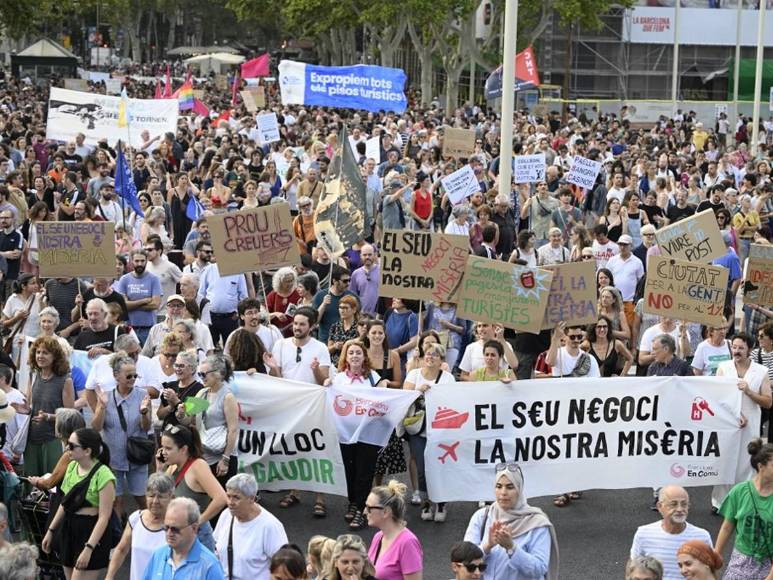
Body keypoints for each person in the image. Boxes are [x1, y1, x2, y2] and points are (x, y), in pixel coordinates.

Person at [42, 428, 116, 579]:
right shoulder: (71, 467)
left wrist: (89, 548)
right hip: (69, 529)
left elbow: (104, 517)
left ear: (87, 451)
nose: (67, 448)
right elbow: (65, 503)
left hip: (90, 532)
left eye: (72, 445)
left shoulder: (104, 475)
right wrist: (51, 531)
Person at [463, 463, 558, 579]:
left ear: (519, 489)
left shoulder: (536, 522)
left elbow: (539, 569)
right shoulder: (482, 517)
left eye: (510, 487)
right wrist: (487, 546)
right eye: (498, 486)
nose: (503, 492)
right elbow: (465, 560)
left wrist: (512, 548)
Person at [330, 340, 385, 530]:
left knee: (364, 471)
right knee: (348, 469)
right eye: (351, 352)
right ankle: (353, 501)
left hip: (368, 434)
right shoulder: (338, 379)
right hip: (345, 434)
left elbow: (383, 402)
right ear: (346, 357)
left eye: (358, 353)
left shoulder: (373, 378)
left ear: (364, 357)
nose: (354, 356)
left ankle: (362, 509)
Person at [91, 351, 152, 516]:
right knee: (115, 500)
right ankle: (118, 535)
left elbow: (146, 428)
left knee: (141, 498)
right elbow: (96, 427)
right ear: (116, 376)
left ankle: (151, 527)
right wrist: (102, 407)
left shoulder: (142, 395)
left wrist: (145, 412)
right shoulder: (106, 397)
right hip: (113, 456)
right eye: (128, 376)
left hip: (136, 455)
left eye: (135, 375)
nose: (132, 379)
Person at [404, 342, 455, 522]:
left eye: (435, 354)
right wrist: (419, 391)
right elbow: (404, 397)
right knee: (422, 467)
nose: (430, 357)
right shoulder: (414, 374)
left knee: (440, 467)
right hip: (418, 429)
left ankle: (441, 502)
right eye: (428, 353)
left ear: (441, 360)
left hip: (441, 430)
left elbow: (453, 402)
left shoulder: (448, 378)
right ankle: (426, 500)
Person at [156, 423, 227, 552]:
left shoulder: (198, 466)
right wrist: (159, 469)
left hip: (196, 538)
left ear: (183, 449)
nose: (163, 452)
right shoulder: (170, 466)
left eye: (168, 448)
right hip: (175, 534)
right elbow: (157, 493)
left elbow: (221, 498)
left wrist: (198, 522)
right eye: (162, 447)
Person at [716, 438, 773, 579]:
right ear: (761, 466)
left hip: (768, 562)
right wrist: (716, 553)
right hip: (740, 560)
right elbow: (727, 527)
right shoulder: (739, 491)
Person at [213, 473, 288, 580]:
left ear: (251, 498)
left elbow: (284, 566)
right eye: (228, 496)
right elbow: (217, 551)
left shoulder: (270, 526)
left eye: (236, 497)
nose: (230, 502)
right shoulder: (226, 515)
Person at [178, 354, 238, 486]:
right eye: (199, 374)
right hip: (204, 454)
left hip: (221, 456)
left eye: (204, 374)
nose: (201, 378)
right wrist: (181, 414)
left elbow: (233, 430)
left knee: (222, 499)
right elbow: (188, 421)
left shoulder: (228, 397)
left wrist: (225, 459)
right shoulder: (201, 393)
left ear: (218, 374)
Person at [629, 485, 713, 580]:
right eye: (673, 504)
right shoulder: (643, 534)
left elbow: (710, 572)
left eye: (684, 504)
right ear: (659, 506)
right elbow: (632, 570)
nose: (680, 509)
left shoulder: (702, 536)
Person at [19, 336, 74, 477]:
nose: (40, 356)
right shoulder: (34, 375)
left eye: (45, 353)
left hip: (54, 440)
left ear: (55, 356)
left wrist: (48, 417)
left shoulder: (65, 380)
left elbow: (70, 417)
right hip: (31, 439)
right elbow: (31, 405)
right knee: (31, 485)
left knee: (51, 485)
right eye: (38, 352)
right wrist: (26, 410)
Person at [105, 473, 175, 580]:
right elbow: (121, 550)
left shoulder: (176, 526)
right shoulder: (136, 519)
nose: (155, 501)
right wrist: (109, 576)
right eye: (151, 495)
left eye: (161, 497)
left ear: (172, 498)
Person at [142, 497, 225, 580]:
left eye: (175, 529)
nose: (169, 533)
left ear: (194, 528)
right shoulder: (158, 555)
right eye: (166, 527)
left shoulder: (209, 565)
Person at [365, 480, 423, 580]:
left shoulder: (408, 543)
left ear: (385, 512)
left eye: (369, 508)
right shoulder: (378, 537)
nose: (365, 511)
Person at [114, 250, 162, 346]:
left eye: (142, 261)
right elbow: (122, 305)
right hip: (129, 328)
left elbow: (155, 304)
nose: (139, 264)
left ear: (146, 261)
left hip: (148, 329)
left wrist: (131, 304)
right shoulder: (125, 279)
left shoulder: (154, 279)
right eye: (136, 261)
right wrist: (144, 301)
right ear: (131, 261)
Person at [606, 234, 644, 327]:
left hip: (630, 301)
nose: (622, 247)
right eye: (620, 244)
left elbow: (641, 282)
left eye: (625, 245)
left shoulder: (637, 262)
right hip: (614, 301)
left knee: (630, 327)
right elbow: (607, 276)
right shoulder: (612, 260)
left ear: (631, 246)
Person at [328, 295, 360, 366]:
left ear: (354, 310)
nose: (342, 310)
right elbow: (328, 349)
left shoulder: (359, 327)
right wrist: (335, 346)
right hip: (335, 365)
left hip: (352, 364)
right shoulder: (335, 326)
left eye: (345, 308)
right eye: (340, 307)